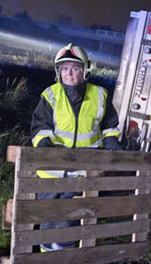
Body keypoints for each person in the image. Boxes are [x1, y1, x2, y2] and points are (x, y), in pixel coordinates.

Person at [31, 44, 120, 251]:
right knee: (49, 217)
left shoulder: (100, 95)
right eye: (64, 68)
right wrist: (44, 144)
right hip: (50, 172)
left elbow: (110, 126)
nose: (69, 73)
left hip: (82, 172)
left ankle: (65, 260)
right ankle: (48, 260)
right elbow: (40, 127)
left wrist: (111, 141)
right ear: (58, 72)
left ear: (85, 70)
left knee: (71, 217)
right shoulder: (50, 95)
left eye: (75, 68)